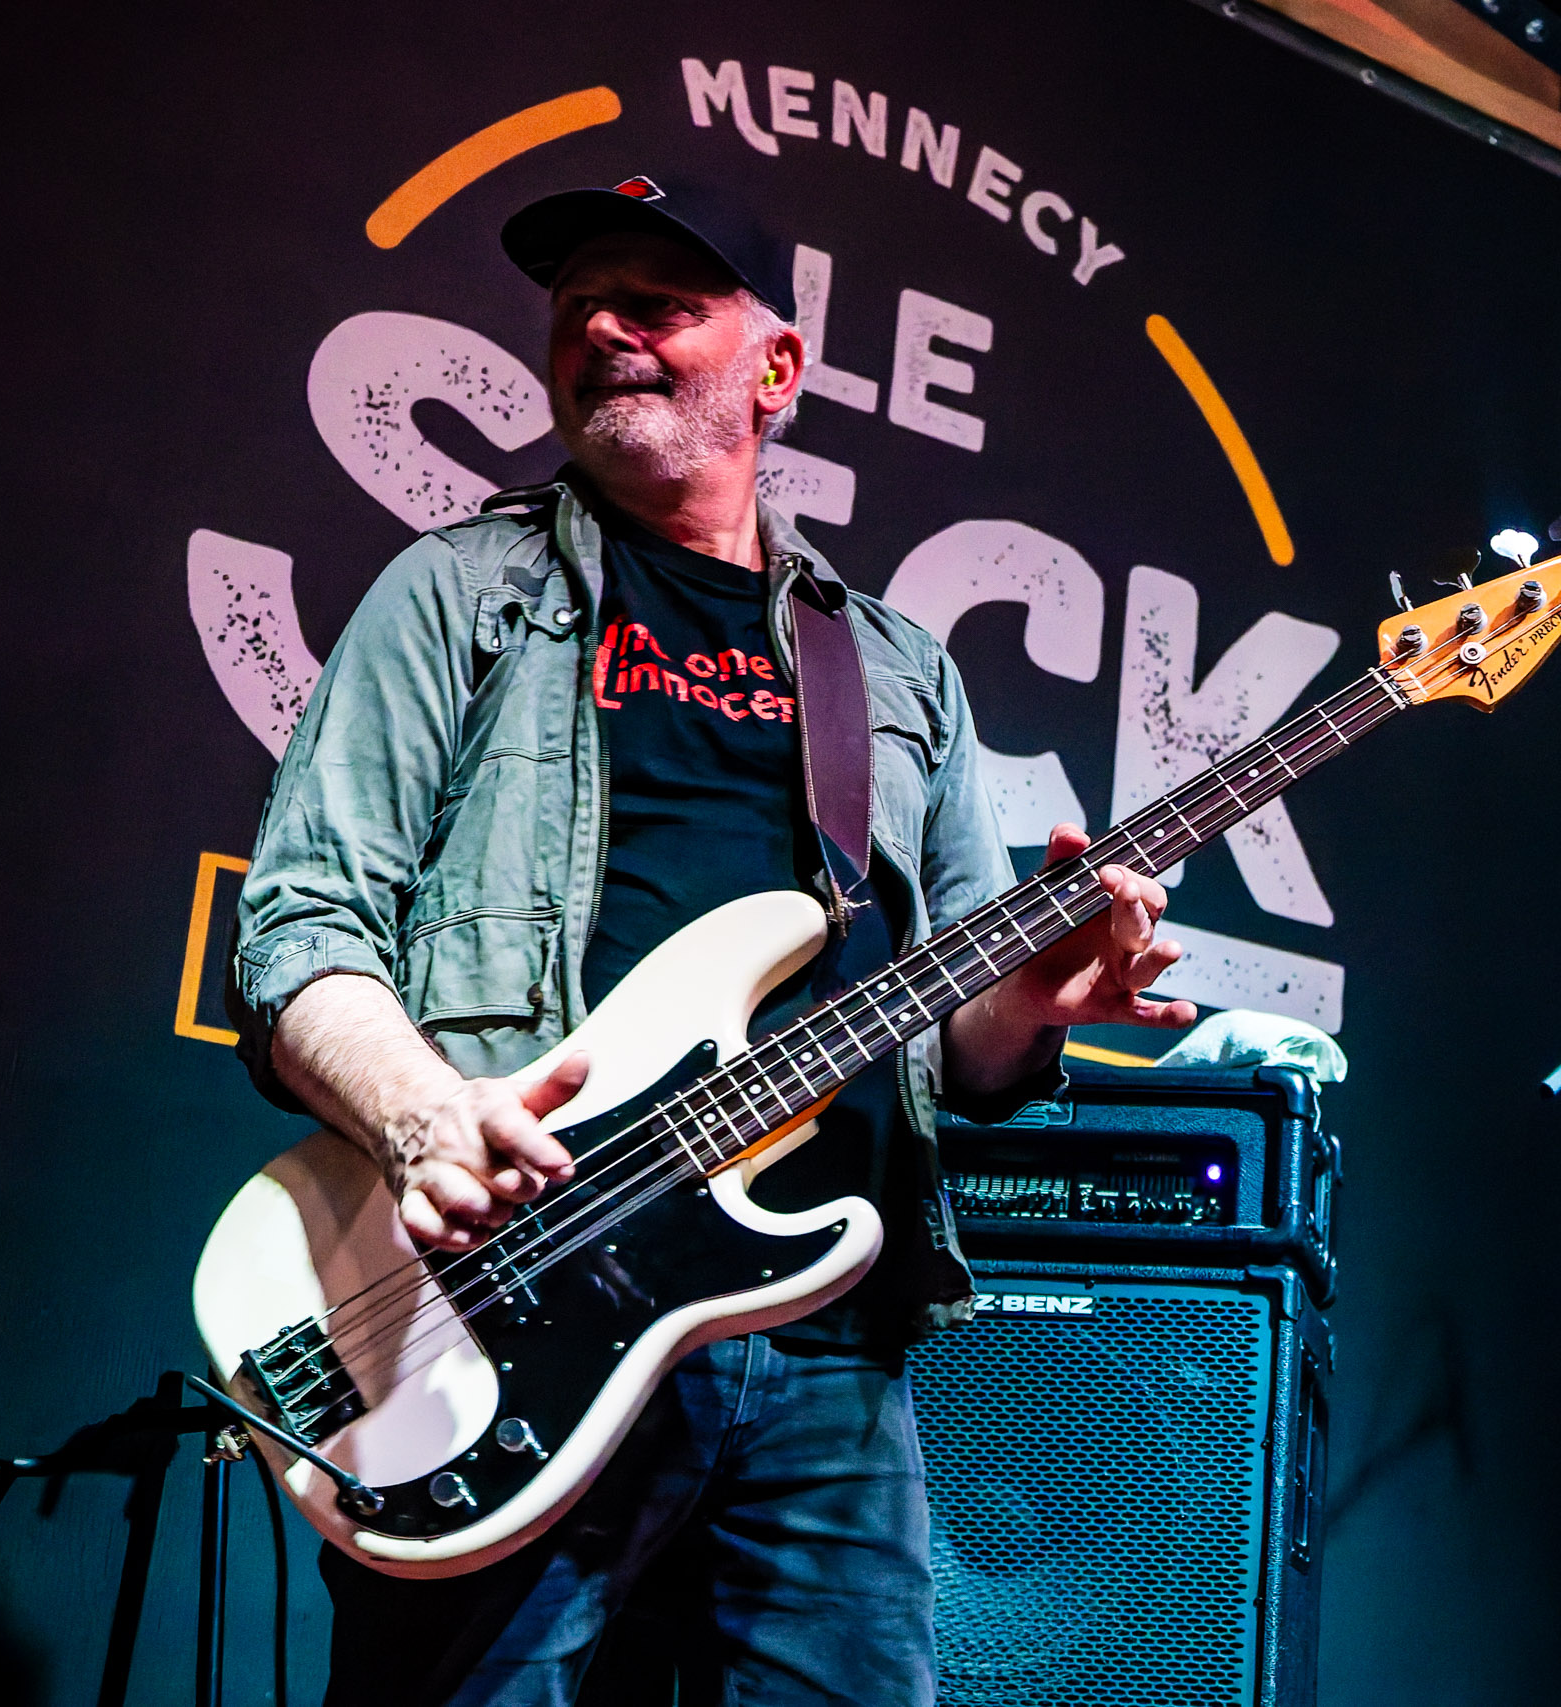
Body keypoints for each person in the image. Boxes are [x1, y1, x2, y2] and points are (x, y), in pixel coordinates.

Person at [227, 175, 1199, 1707]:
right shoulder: (461, 595)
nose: (604, 329)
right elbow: (300, 919)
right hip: (520, 1297)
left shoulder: (895, 670)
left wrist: (1034, 1001)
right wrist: (422, 1119)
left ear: (776, 368)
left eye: (659, 305)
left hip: (822, 1339)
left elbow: (963, 1039)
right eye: (578, 307)